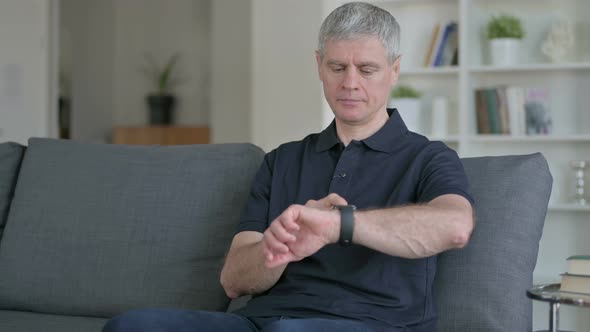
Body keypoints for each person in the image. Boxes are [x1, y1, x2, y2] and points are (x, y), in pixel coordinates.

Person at [102, 2, 474, 331]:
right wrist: (279, 249)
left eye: (367, 69)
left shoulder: (428, 157)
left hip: (370, 323)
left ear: (394, 71)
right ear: (319, 66)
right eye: (337, 66)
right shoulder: (282, 160)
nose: (349, 83)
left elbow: (454, 226)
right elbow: (233, 281)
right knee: (131, 324)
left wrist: (338, 225)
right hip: (260, 321)